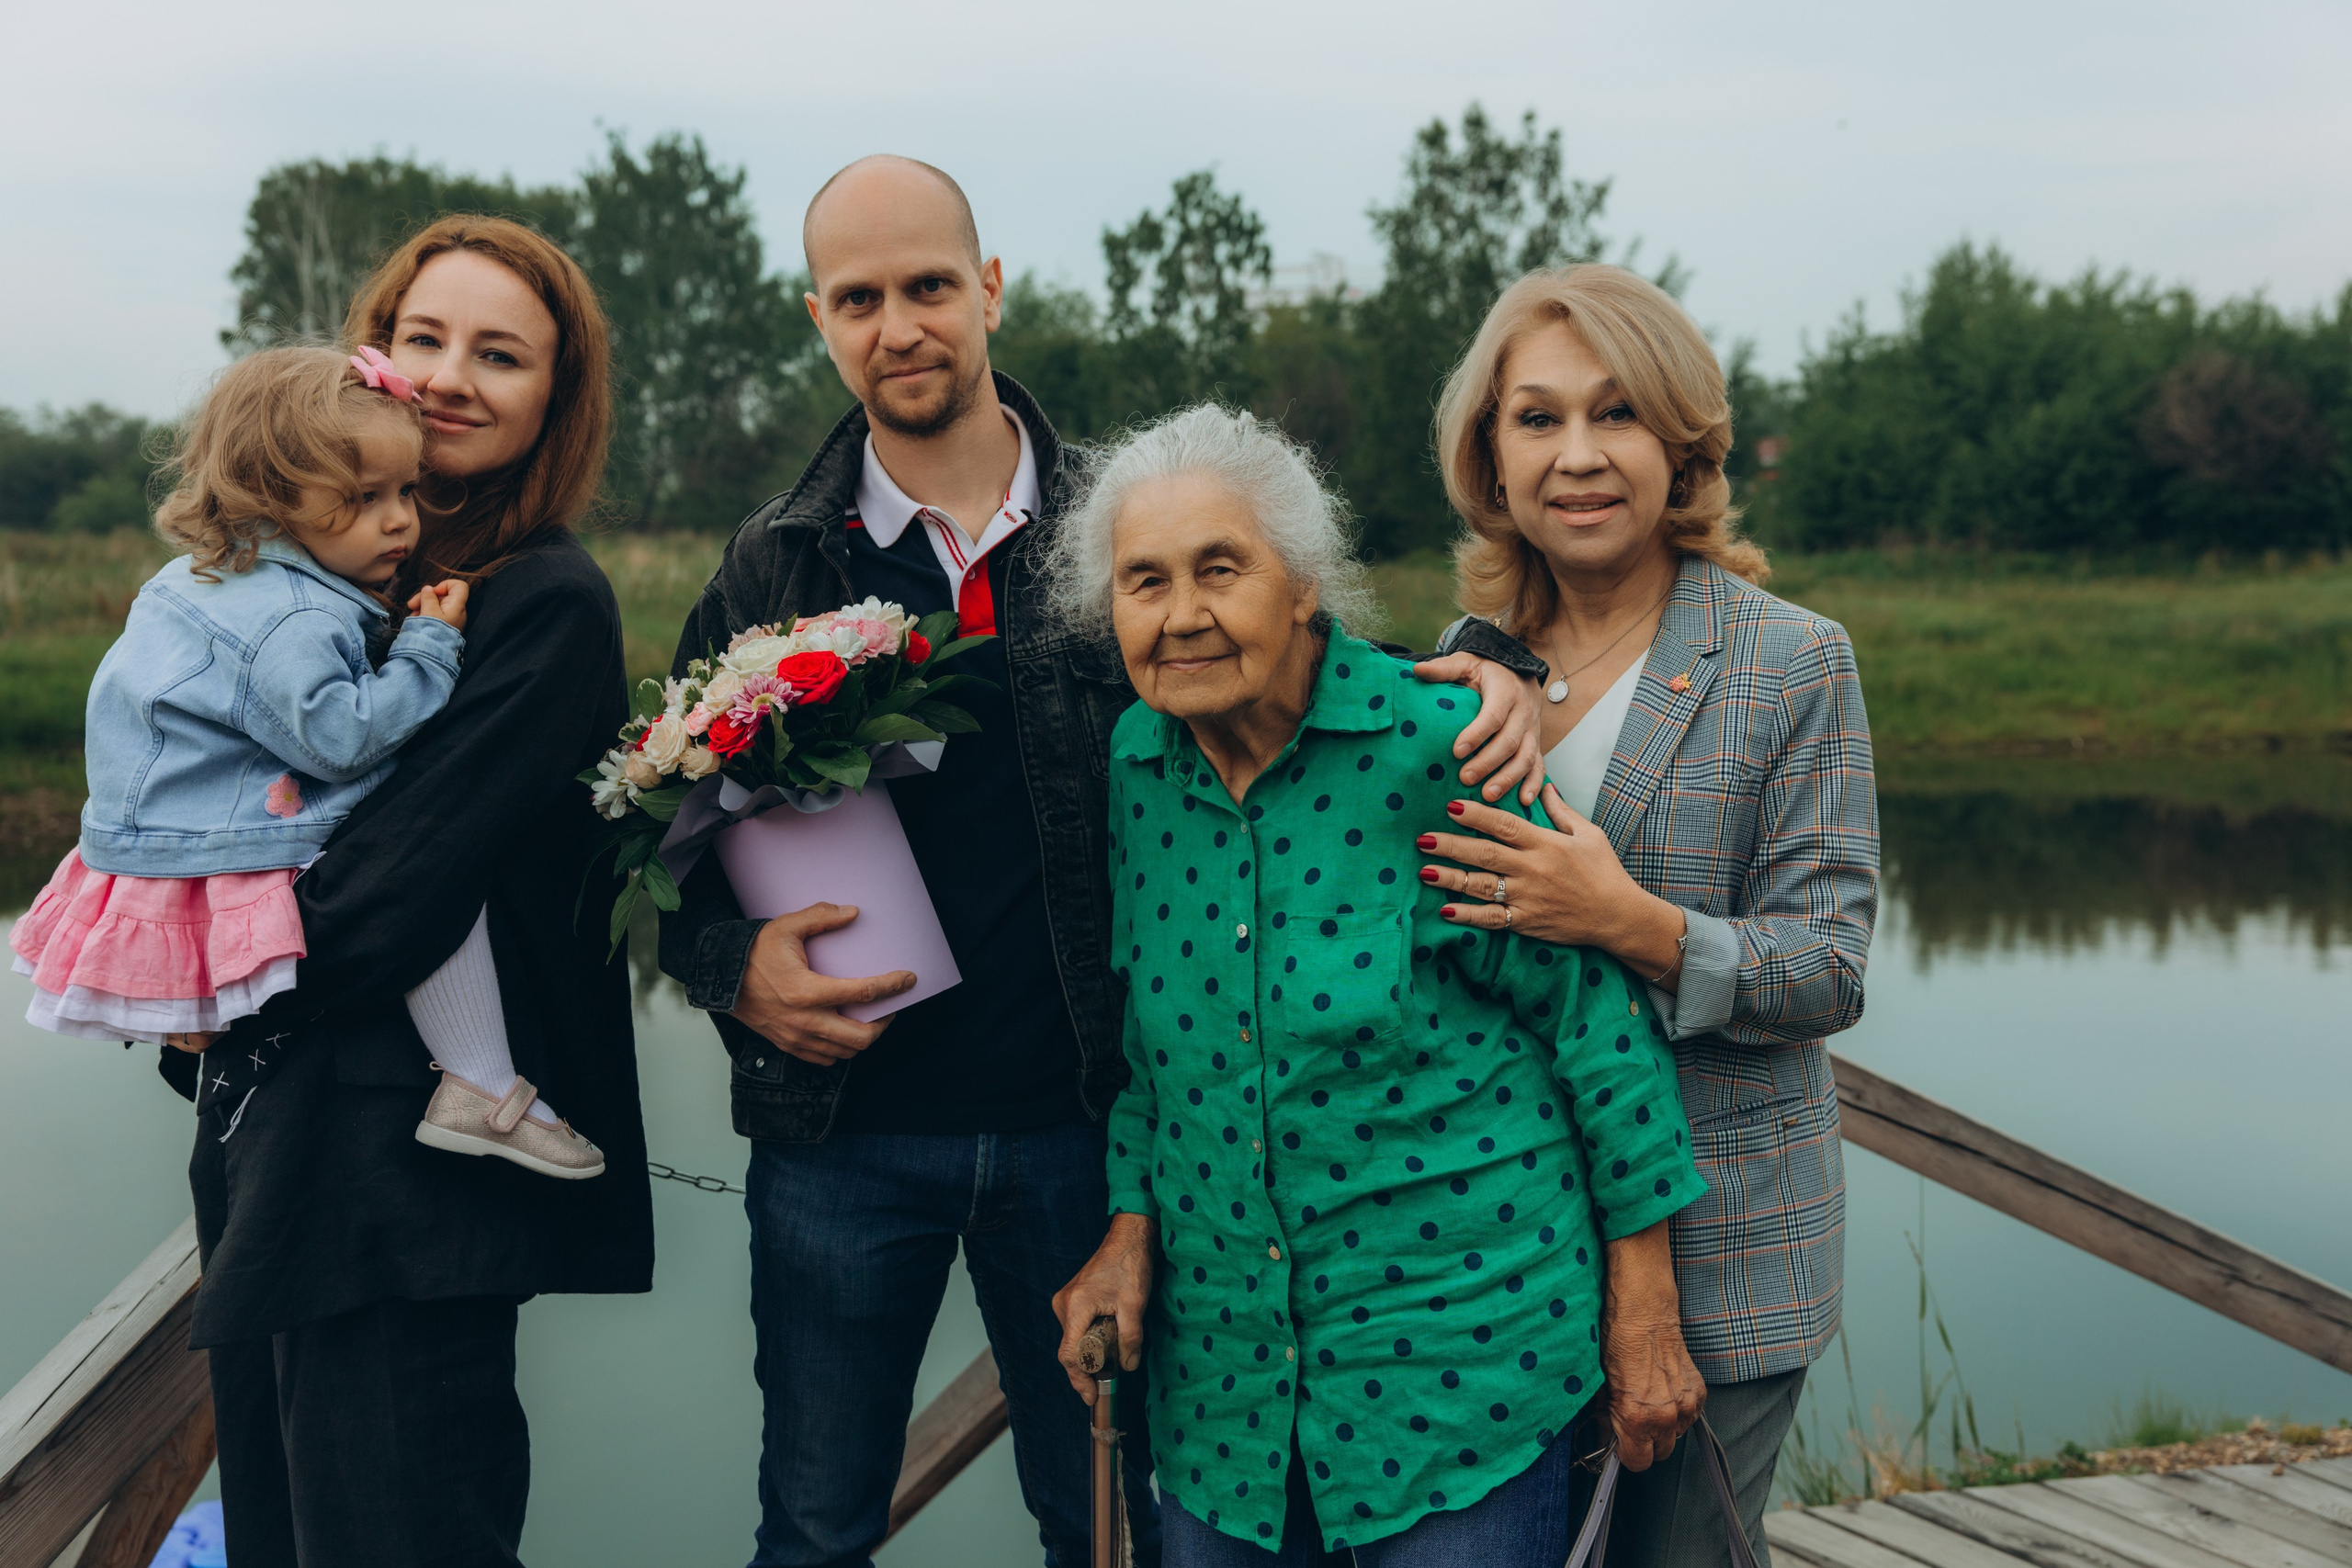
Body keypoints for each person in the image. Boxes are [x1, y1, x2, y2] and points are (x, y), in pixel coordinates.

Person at [657, 154, 1549, 1568]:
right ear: (817, 313)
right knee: (814, 1525)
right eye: (862, 296)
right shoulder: (774, 563)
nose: (902, 325)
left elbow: (1290, 664)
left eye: (932, 286)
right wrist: (727, 970)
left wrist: (1494, 656)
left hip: (1087, 1131)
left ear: (990, 288)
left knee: (1104, 1525)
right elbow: (673, 830)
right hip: (844, 1144)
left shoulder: (1123, 522)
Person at [1041, 405, 1707, 1567]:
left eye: (1220, 569)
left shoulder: (1439, 743)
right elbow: (1159, 1059)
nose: (1182, 614)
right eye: (1143, 582)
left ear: (1303, 584)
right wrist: (1127, 1226)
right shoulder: (1137, 767)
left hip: (1460, 1375)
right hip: (1229, 1403)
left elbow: (1595, 1028)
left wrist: (1644, 1313)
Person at [168, 216, 653, 1568]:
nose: (448, 374)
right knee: (277, 1531)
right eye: (421, 337)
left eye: (500, 355)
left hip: (404, 1190)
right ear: (367, 351)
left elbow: (398, 887)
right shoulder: (303, 585)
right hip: (268, 1143)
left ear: (554, 401)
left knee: (397, 1528)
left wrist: (218, 987)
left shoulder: (540, 601)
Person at [1414, 265, 1880, 1568]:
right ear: (1488, 455)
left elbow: (1831, 968)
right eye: (1537, 418)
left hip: (1725, 1251)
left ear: (1682, 445)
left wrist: (1631, 920)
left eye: (1615, 414)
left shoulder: (1793, 659)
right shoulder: (1449, 667)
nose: (1577, 456)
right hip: (1496, 1255)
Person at [13, 344, 602, 1178]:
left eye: (406, 491)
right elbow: (344, 737)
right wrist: (429, 647)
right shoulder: (292, 617)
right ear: (273, 498)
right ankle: (479, 1080)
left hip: (168, 838)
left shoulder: (198, 578)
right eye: (364, 499)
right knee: (436, 882)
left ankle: (200, 1018)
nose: (402, 520)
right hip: (242, 838)